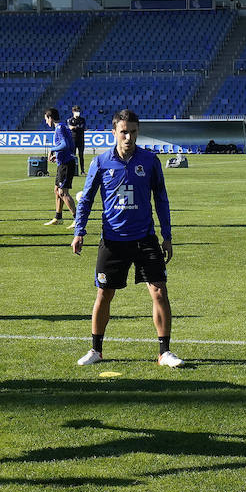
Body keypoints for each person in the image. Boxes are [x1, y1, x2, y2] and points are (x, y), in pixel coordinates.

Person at [71, 109, 181, 368]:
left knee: (159, 292)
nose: (128, 137)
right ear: (114, 133)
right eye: (123, 132)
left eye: (132, 132)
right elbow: (85, 199)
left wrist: (167, 235)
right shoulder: (100, 162)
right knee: (104, 295)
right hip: (112, 241)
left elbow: (161, 199)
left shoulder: (150, 161)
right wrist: (79, 231)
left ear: (137, 132)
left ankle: (164, 352)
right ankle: (96, 350)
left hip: (145, 238)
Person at [43, 107, 77, 226]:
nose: (46, 122)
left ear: (50, 118)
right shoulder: (62, 126)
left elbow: (65, 144)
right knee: (57, 191)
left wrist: (52, 150)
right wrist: (57, 156)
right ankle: (58, 218)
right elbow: (69, 145)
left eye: (46, 119)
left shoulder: (60, 128)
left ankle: (77, 219)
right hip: (63, 162)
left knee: (63, 192)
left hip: (66, 164)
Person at [67, 104, 87, 173]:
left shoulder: (82, 120)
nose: (78, 112)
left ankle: (82, 170)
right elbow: (70, 128)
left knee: (81, 156)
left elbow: (83, 127)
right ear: (73, 112)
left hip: (81, 140)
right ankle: (73, 170)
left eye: (78, 111)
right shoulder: (70, 120)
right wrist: (77, 127)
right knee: (73, 155)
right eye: (76, 111)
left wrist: (75, 127)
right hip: (73, 140)